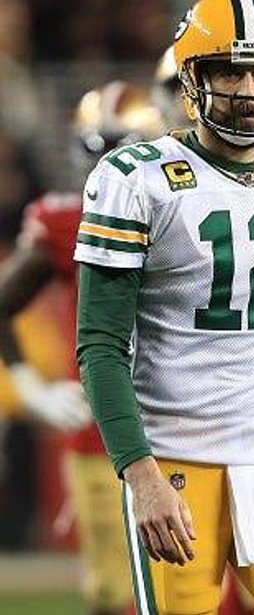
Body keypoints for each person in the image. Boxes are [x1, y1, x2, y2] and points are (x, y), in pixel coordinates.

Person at [74, 0, 254, 615]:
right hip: (178, 461)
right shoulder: (136, 178)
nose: (250, 89)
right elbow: (99, 345)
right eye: (231, 70)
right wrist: (140, 477)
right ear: (192, 78)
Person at [0, 79, 164, 615]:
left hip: (195, 418)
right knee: (114, 593)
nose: (109, 167)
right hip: (107, 429)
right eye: (97, 150)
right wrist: (29, 386)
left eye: (120, 149)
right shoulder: (65, 218)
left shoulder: (197, 208)